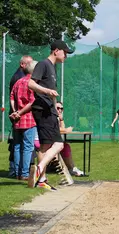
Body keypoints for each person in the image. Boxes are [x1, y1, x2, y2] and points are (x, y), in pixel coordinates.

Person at [28, 39, 74, 190]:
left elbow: (53, 95)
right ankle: (40, 170)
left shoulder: (53, 68)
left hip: (49, 110)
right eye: (65, 52)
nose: (66, 56)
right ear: (56, 51)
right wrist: (47, 91)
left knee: (47, 146)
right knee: (56, 144)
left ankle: (41, 178)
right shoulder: (43, 64)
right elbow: (31, 84)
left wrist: (56, 111)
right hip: (42, 109)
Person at [9, 60, 38, 180]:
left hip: (17, 120)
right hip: (29, 119)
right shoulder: (33, 83)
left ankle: (17, 172)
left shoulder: (18, 82)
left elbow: (11, 97)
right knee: (27, 147)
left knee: (17, 146)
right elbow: (32, 102)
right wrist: (20, 112)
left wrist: (15, 111)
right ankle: (24, 173)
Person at [56, 102, 84, 176]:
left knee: (65, 146)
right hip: (43, 141)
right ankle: (71, 169)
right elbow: (55, 129)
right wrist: (66, 130)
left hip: (52, 140)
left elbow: (62, 128)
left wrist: (61, 120)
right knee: (65, 146)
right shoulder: (51, 117)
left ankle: (72, 168)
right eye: (58, 108)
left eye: (61, 108)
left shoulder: (58, 118)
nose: (60, 110)